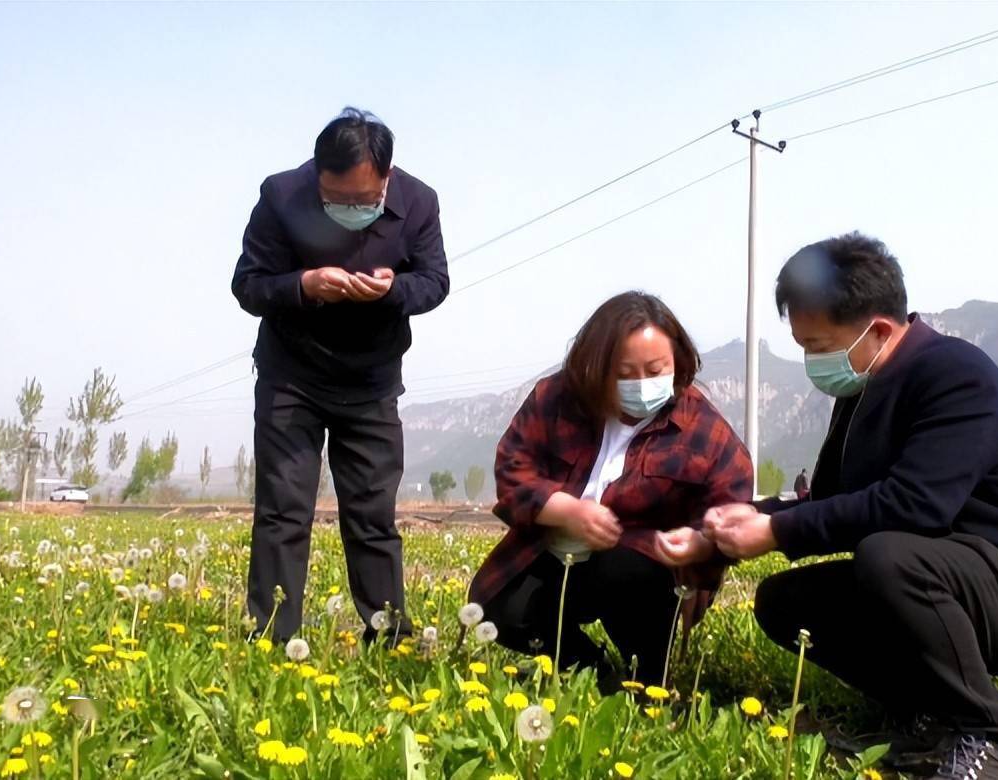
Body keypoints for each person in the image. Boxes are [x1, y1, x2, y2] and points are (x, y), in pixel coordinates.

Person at [704, 233, 998, 780]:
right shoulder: (859, 389)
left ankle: (989, 733)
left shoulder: (955, 374)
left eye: (817, 346)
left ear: (878, 330)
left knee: (888, 557)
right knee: (785, 602)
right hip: (936, 575)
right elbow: (831, 501)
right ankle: (931, 713)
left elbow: (914, 507)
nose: (813, 362)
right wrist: (741, 517)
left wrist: (776, 533)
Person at [231, 107, 448, 644]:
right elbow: (249, 285)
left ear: (387, 178)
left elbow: (435, 282)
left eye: (364, 200)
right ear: (316, 175)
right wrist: (304, 285)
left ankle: (388, 640)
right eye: (338, 199)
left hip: (371, 383)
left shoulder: (420, 202)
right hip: (292, 379)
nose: (351, 210)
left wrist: (392, 289)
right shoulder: (281, 195)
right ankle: (272, 639)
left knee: (373, 516)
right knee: (282, 511)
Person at [470, 291, 753, 687]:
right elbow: (513, 469)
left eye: (656, 369)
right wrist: (567, 511)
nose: (642, 384)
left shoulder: (698, 425)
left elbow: (732, 500)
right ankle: (587, 667)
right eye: (624, 372)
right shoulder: (555, 400)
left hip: (643, 572)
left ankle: (650, 675)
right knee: (498, 604)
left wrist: (701, 543)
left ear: (678, 362)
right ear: (595, 366)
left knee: (623, 564)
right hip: (555, 550)